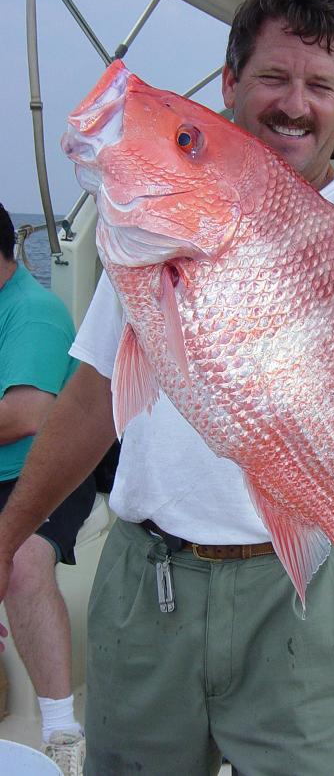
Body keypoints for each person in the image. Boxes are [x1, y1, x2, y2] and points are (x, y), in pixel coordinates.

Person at [0, 0, 334, 776]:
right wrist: (7, 534)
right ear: (229, 83)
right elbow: (93, 397)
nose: (294, 104)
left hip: (300, 589)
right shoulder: (150, 238)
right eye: (272, 76)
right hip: (147, 583)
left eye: (318, 85)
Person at [0, 204, 96, 774]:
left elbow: (27, 413)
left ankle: (62, 733)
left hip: (48, 471)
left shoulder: (33, 313)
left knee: (25, 562)